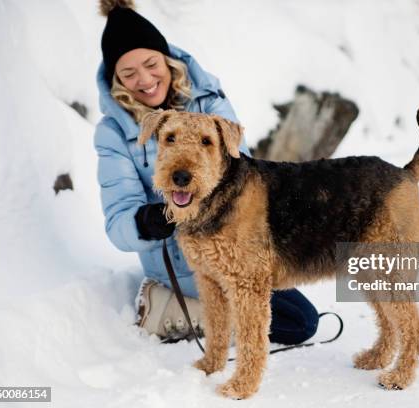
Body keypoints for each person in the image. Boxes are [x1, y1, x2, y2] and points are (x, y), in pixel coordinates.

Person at [94, 0, 319, 344]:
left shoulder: (208, 101)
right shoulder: (113, 133)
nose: (144, 80)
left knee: (302, 322)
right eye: (128, 73)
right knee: (275, 319)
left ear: (168, 60)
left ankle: (214, 317)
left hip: (232, 243)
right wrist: (148, 221)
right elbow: (117, 221)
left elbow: (240, 167)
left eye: (151, 64)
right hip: (180, 261)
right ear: (117, 80)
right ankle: (168, 306)